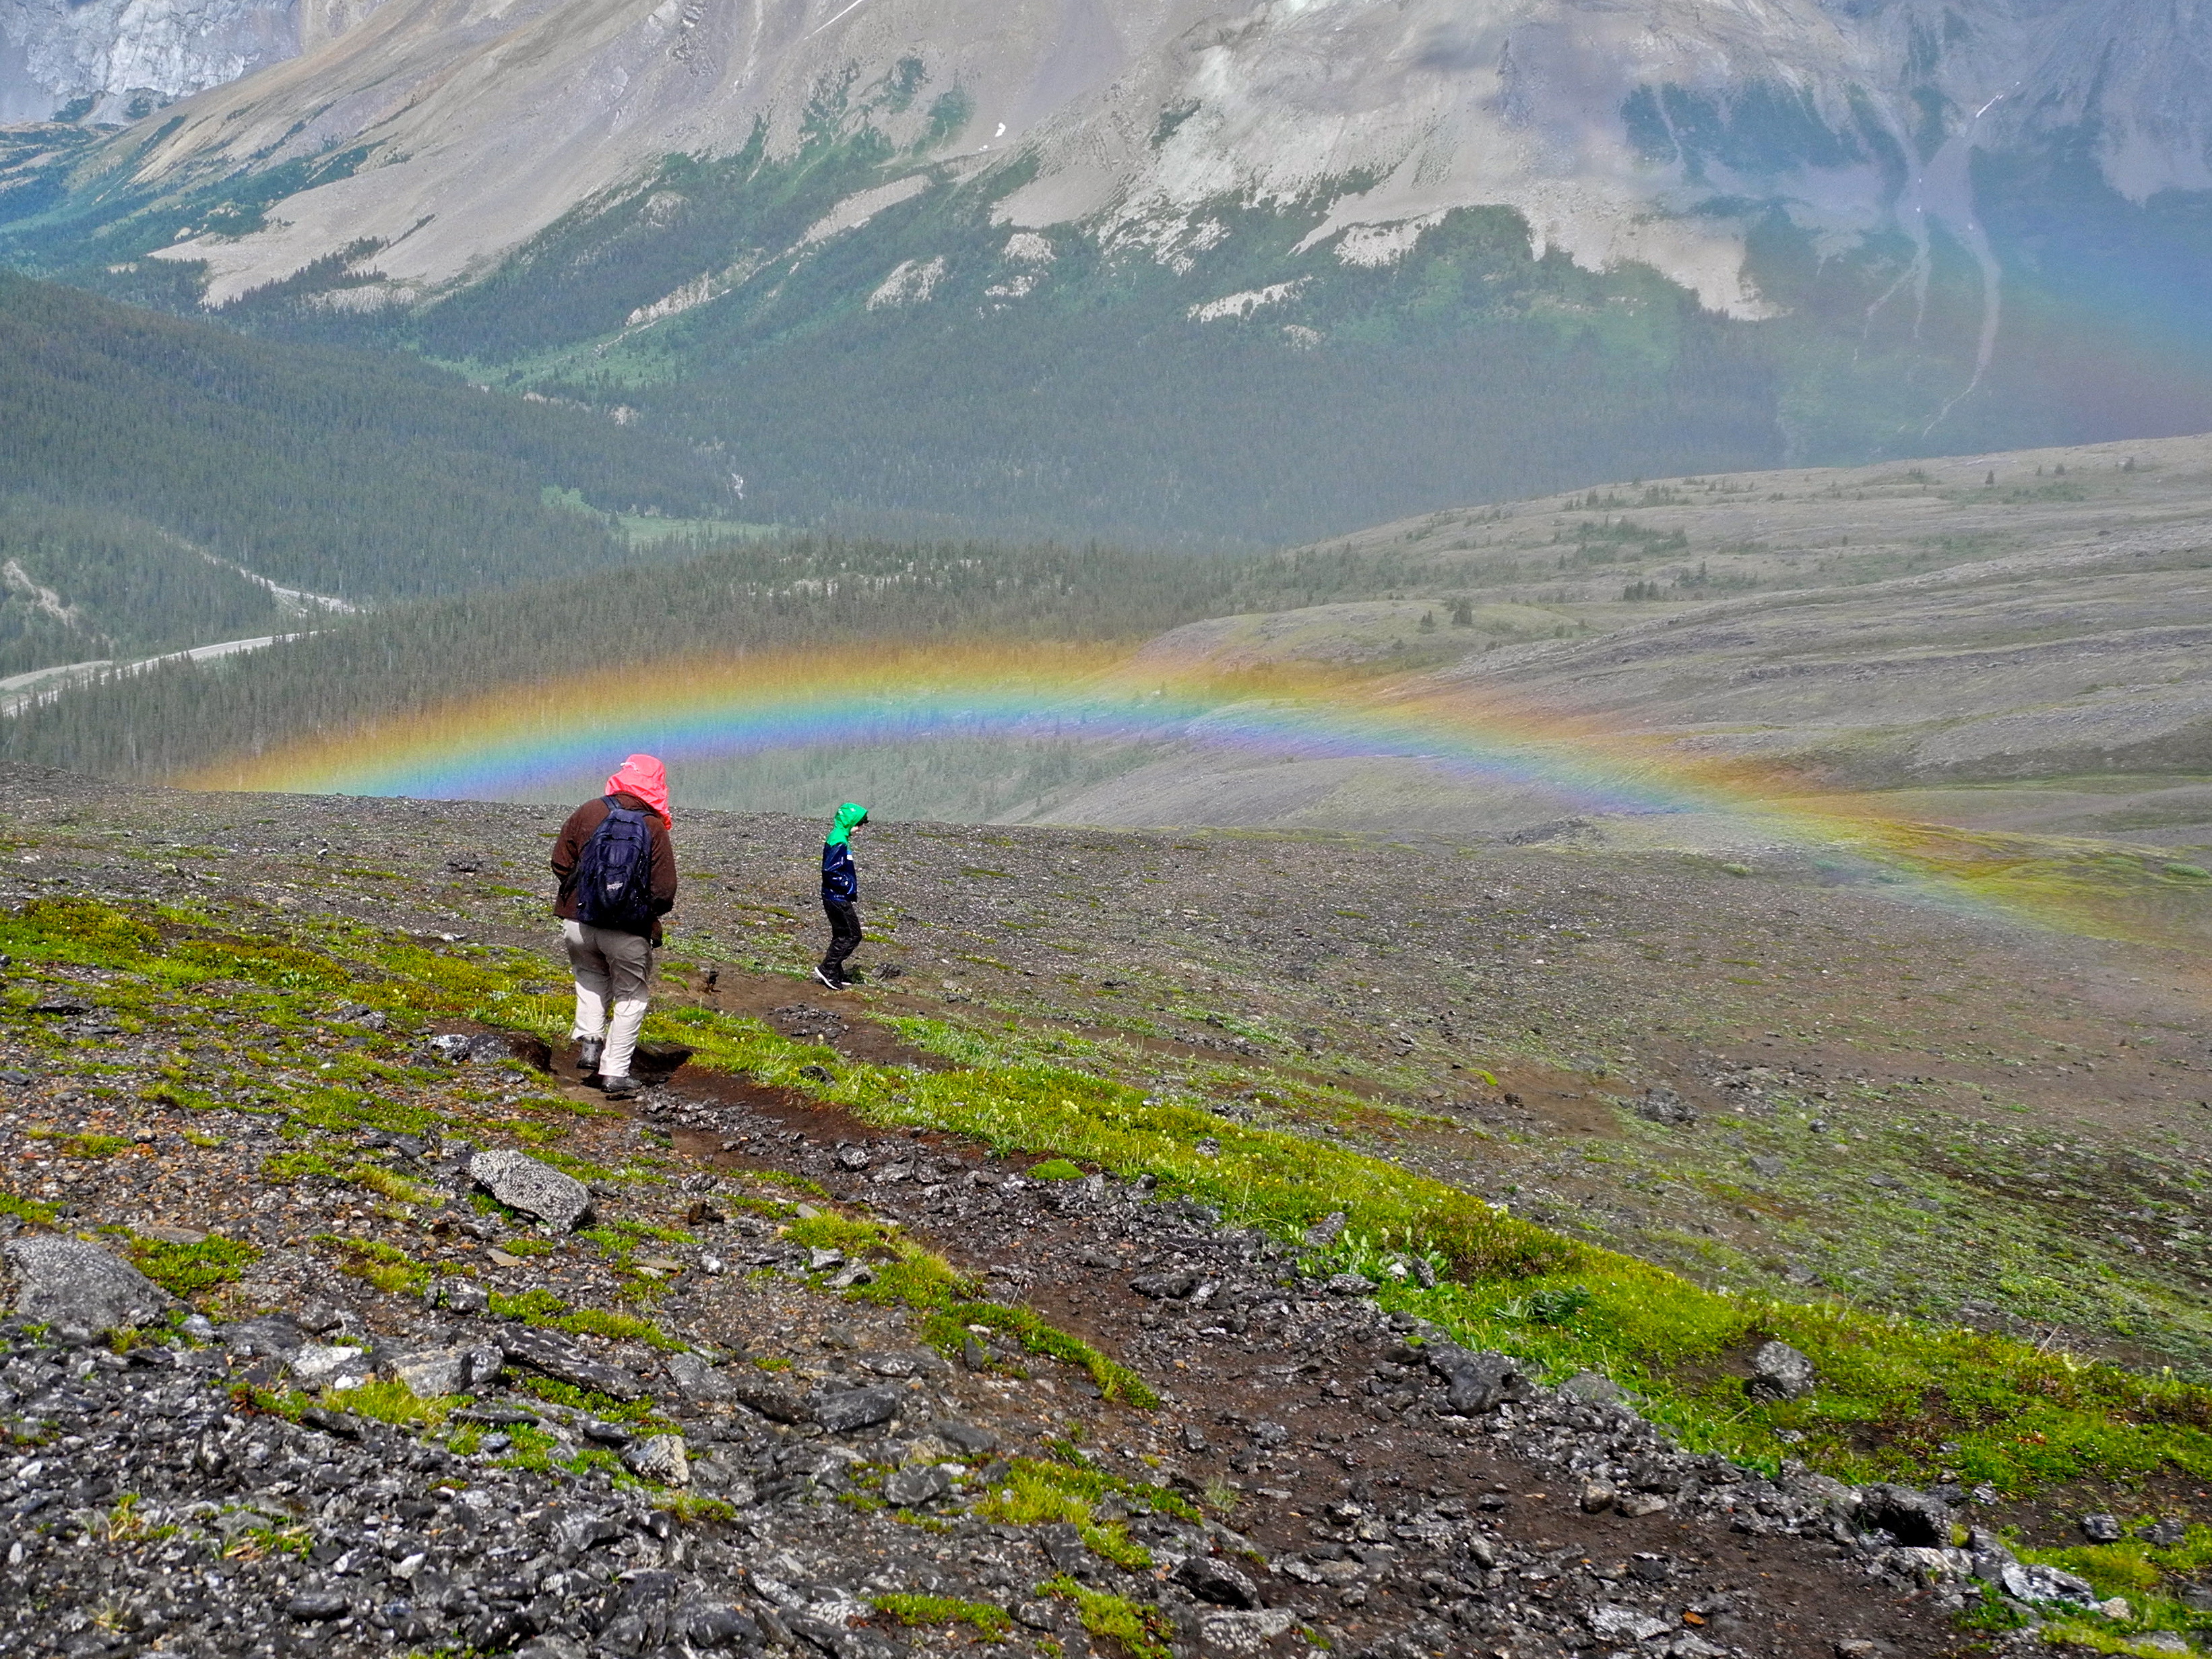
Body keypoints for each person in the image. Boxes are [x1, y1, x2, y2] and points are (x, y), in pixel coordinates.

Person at [550, 755, 677, 1098]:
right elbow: (664, 892)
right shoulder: (652, 827)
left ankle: (591, 1041)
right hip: (627, 931)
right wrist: (636, 911)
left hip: (578, 923)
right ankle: (614, 1071)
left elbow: (560, 862)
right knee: (631, 995)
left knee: (590, 977)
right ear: (657, 784)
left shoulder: (589, 811)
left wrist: (586, 893)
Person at [817, 802, 868, 991]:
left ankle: (835, 972)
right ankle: (828, 969)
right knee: (852, 935)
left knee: (841, 934)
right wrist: (848, 886)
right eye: (860, 823)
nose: (861, 828)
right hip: (837, 897)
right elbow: (830, 870)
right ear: (849, 822)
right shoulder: (839, 841)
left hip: (833, 896)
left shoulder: (838, 837)